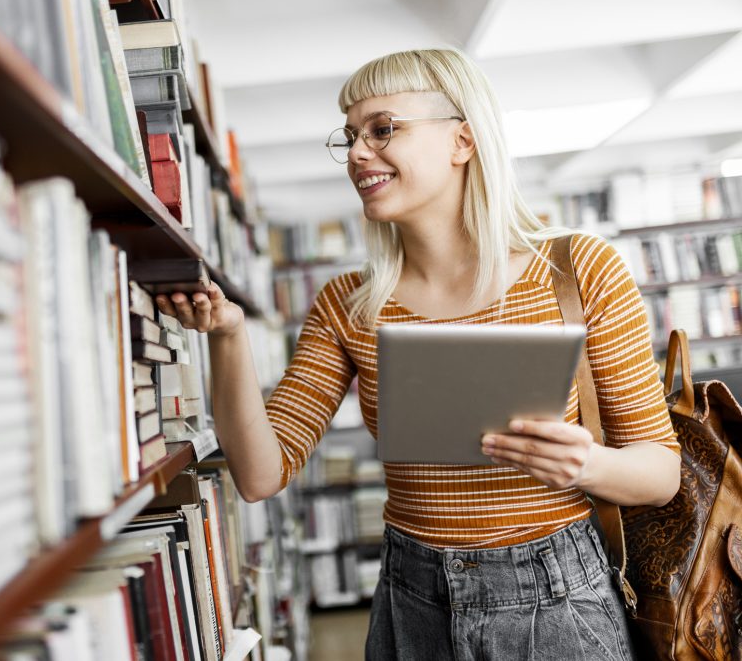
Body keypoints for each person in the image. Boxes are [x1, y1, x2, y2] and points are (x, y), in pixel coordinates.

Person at [155, 48, 680, 660]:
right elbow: (259, 475)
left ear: (462, 140)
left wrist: (584, 466)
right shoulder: (349, 304)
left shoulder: (578, 270)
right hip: (411, 595)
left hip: (557, 598)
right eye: (350, 136)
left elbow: (660, 473)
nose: (356, 153)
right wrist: (226, 335)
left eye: (383, 129)